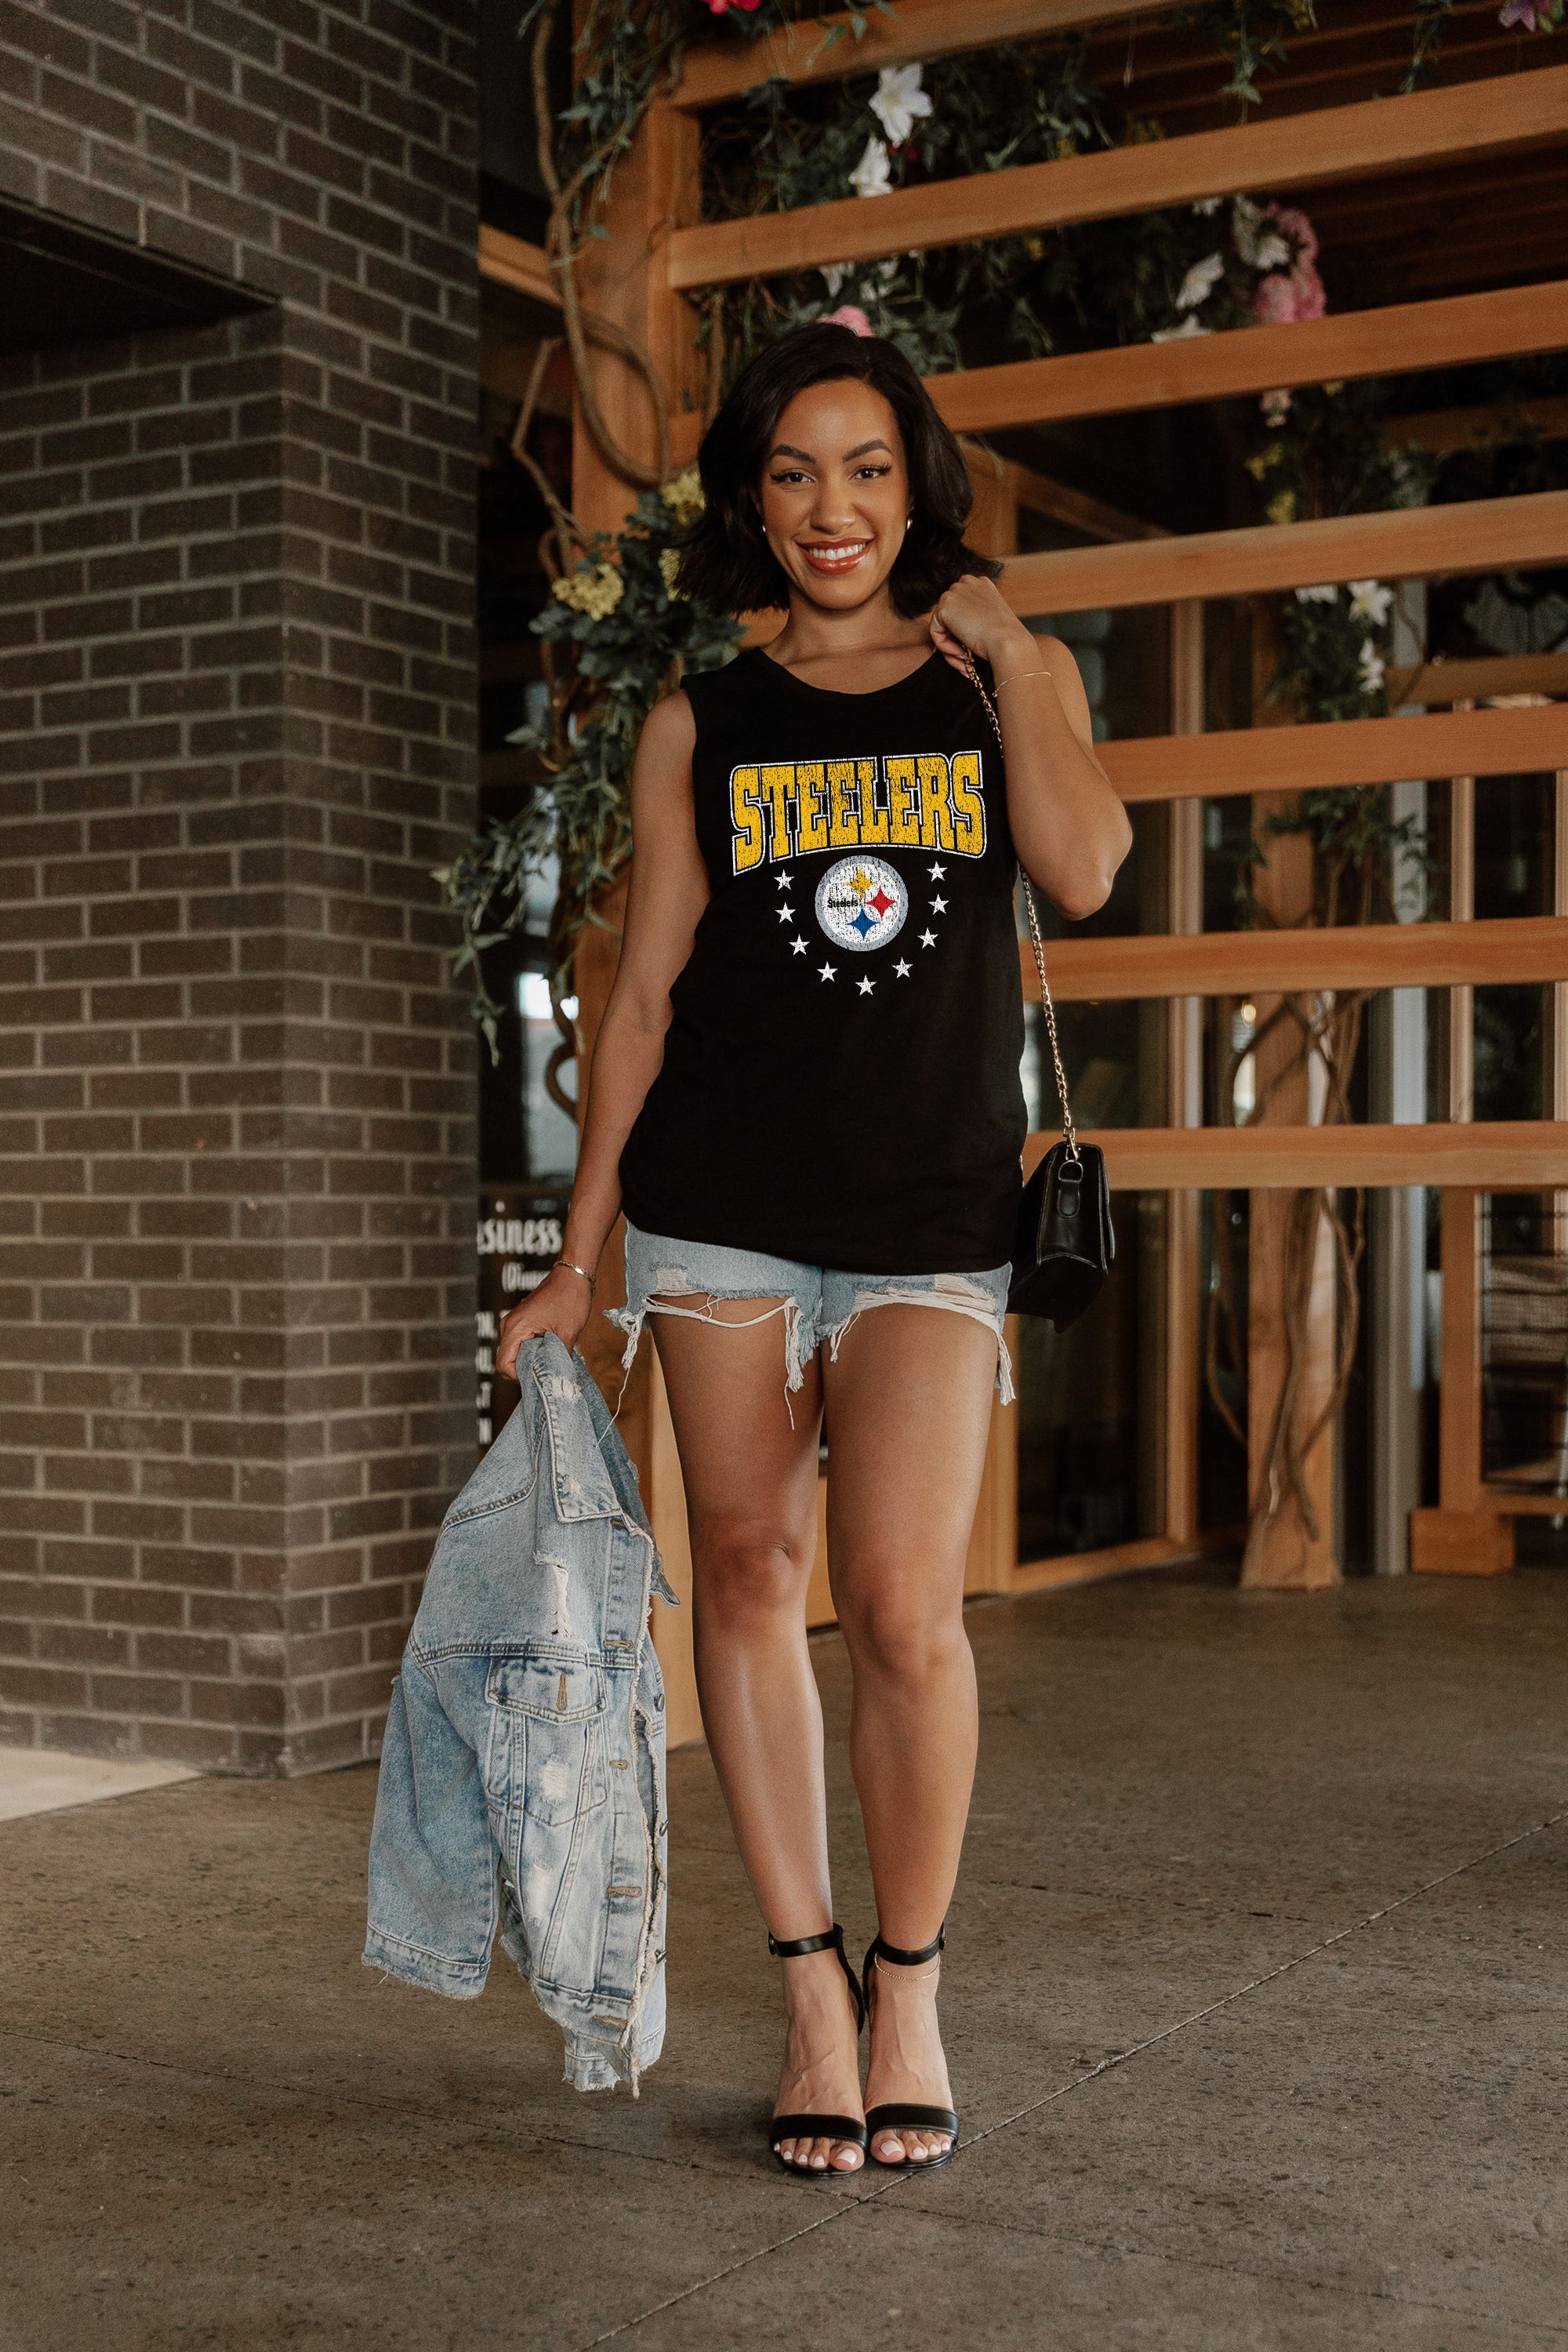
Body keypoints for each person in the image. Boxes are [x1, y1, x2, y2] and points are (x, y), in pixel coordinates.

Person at [495, 322, 1131, 2176]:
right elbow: (639, 999)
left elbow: (1086, 869)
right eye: (790, 473)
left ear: (916, 487)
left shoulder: (995, 681)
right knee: (751, 1576)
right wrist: (578, 1256)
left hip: (932, 1215)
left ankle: (908, 1980)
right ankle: (808, 1994)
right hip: (720, 1208)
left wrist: (1019, 655)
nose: (828, 507)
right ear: (752, 503)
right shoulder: (701, 718)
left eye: (863, 468)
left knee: (906, 1610)